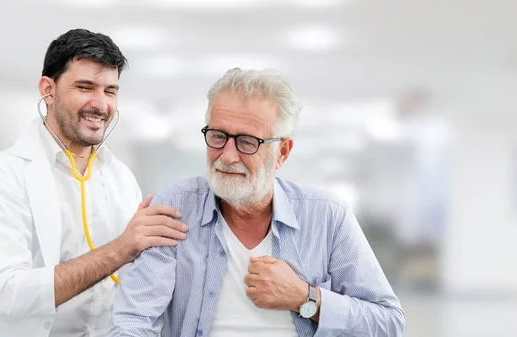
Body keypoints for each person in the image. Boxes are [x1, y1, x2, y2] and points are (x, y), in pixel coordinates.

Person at [109, 68, 405, 337]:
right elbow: (133, 322)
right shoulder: (174, 208)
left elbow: (388, 323)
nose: (226, 156)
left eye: (248, 142)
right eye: (217, 136)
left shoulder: (327, 215)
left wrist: (306, 298)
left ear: (283, 152)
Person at [0, 29, 188, 337]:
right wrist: (121, 249)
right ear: (48, 89)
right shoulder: (1, 174)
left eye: (110, 91)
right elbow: (10, 293)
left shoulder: (120, 176)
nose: (100, 104)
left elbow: (136, 284)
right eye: (85, 87)